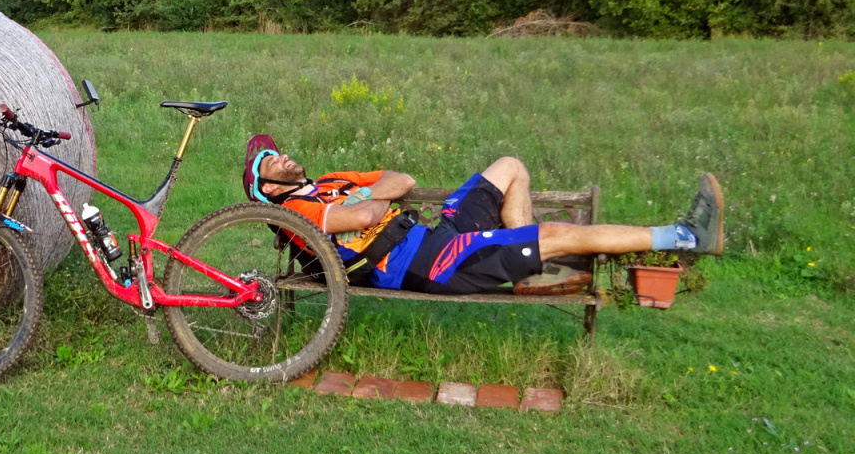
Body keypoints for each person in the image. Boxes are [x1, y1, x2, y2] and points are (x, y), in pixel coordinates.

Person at [241, 135, 723, 294]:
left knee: (509, 166)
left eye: (276, 152)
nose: (281, 156)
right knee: (557, 234)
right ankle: (684, 235)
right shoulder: (296, 210)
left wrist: (367, 197)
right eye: (269, 162)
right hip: (429, 264)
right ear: (268, 189)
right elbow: (364, 218)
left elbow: (401, 181)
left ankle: (527, 264)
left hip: (435, 235)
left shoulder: (330, 182)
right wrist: (366, 204)